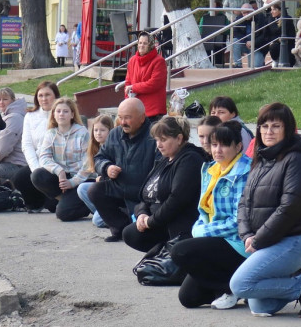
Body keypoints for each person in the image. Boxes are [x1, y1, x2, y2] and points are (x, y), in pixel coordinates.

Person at [229, 103, 301, 317]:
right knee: (260, 306)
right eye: (264, 126)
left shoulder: (297, 160)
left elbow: (289, 209)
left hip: (295, 241)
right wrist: (247, 235)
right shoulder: (262, 159)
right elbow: (244, 203)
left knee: (240, 285)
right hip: (267, 240)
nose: (268, 131)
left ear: (287, 129)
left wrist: (258, 240)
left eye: (276, 126)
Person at [171, 121, 254, 309]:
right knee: (188, 298)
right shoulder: (210, 169)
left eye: (224, 145)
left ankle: (232, 288)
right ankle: (230, 286)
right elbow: (204, 211)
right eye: (214, 144)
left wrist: (202, 232)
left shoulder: (244, 172)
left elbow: (237, 222)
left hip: (237, 241)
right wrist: (198, 228)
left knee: (179, 251)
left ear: (238, 147)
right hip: (215, 236)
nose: (218, 150)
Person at [123, 116, 210, 255]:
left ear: (179, 138)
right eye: (156, 140)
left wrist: (151, 221)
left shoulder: (190, 159)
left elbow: (177, 199)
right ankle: (162, 253)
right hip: (158, 220)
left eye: (163, 140)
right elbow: (145, 194)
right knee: (130, 233)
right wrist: (142, 213)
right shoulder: (165, 159)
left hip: (177, 224)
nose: (158, 145)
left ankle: (167, 254)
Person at [89, 97, 157, 242]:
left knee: (138, 235)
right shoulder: (115, 133)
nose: (123, 122)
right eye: (120, 117)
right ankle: (118, 228)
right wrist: (107, 167)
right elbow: (99, 158)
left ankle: (131, 226)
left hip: (143, 194)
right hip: (119, 187)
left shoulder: (154, 136)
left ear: (142, 118)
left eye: (127, 118)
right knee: (94, 190)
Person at [31, 97, 92, 222]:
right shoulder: (50, 133)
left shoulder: (82, 133)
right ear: (53, 114)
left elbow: (88, 164)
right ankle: (65, 200)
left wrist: (72, 182)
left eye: (65, 111)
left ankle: (87, 204)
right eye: (58, 111)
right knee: (37, 175)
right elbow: (44, 158)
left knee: (63, 214)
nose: (61, 114)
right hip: (62, 178)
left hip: (81, 179)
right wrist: (59, 171)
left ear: (72, 115)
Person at [16, 81, 59, 212]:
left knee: (53, 207)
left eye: (47, 95)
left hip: (57, 165)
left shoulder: (62, 114)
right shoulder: (30, 116)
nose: (44, 99)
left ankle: (55, 199)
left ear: (55, 96)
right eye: (40, 95)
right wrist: (35, 169)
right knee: (20, 178)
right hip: (38, 162)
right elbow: (27, 145)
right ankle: (36, 203)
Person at [116, 32, 167, 120]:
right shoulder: (132, 60)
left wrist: (134, 88)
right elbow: (128, 82)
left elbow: (154, 84)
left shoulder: (159, 61)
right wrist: (128, 100)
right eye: (140, 43)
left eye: (145, 43)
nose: (141, 46)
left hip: (153, 111)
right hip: (135, 109)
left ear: (151, 45)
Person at [77, 113, 115, 229]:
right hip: (102, 187)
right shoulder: (94, 148)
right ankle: (104, 213)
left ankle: (115, 215)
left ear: (110, 131)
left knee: (97, 221)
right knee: (82, 188)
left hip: (113, 189)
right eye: (96, 130)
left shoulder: (114, 147)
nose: (98, 133)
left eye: (102, 130)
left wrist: (102, 179)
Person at [0, 87, 29, 188]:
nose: (1, 102)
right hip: (9, 162)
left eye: (5, 99)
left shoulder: (14, 118)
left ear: (13, 100)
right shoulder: (6, 116)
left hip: (17, 165)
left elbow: (3, 150)